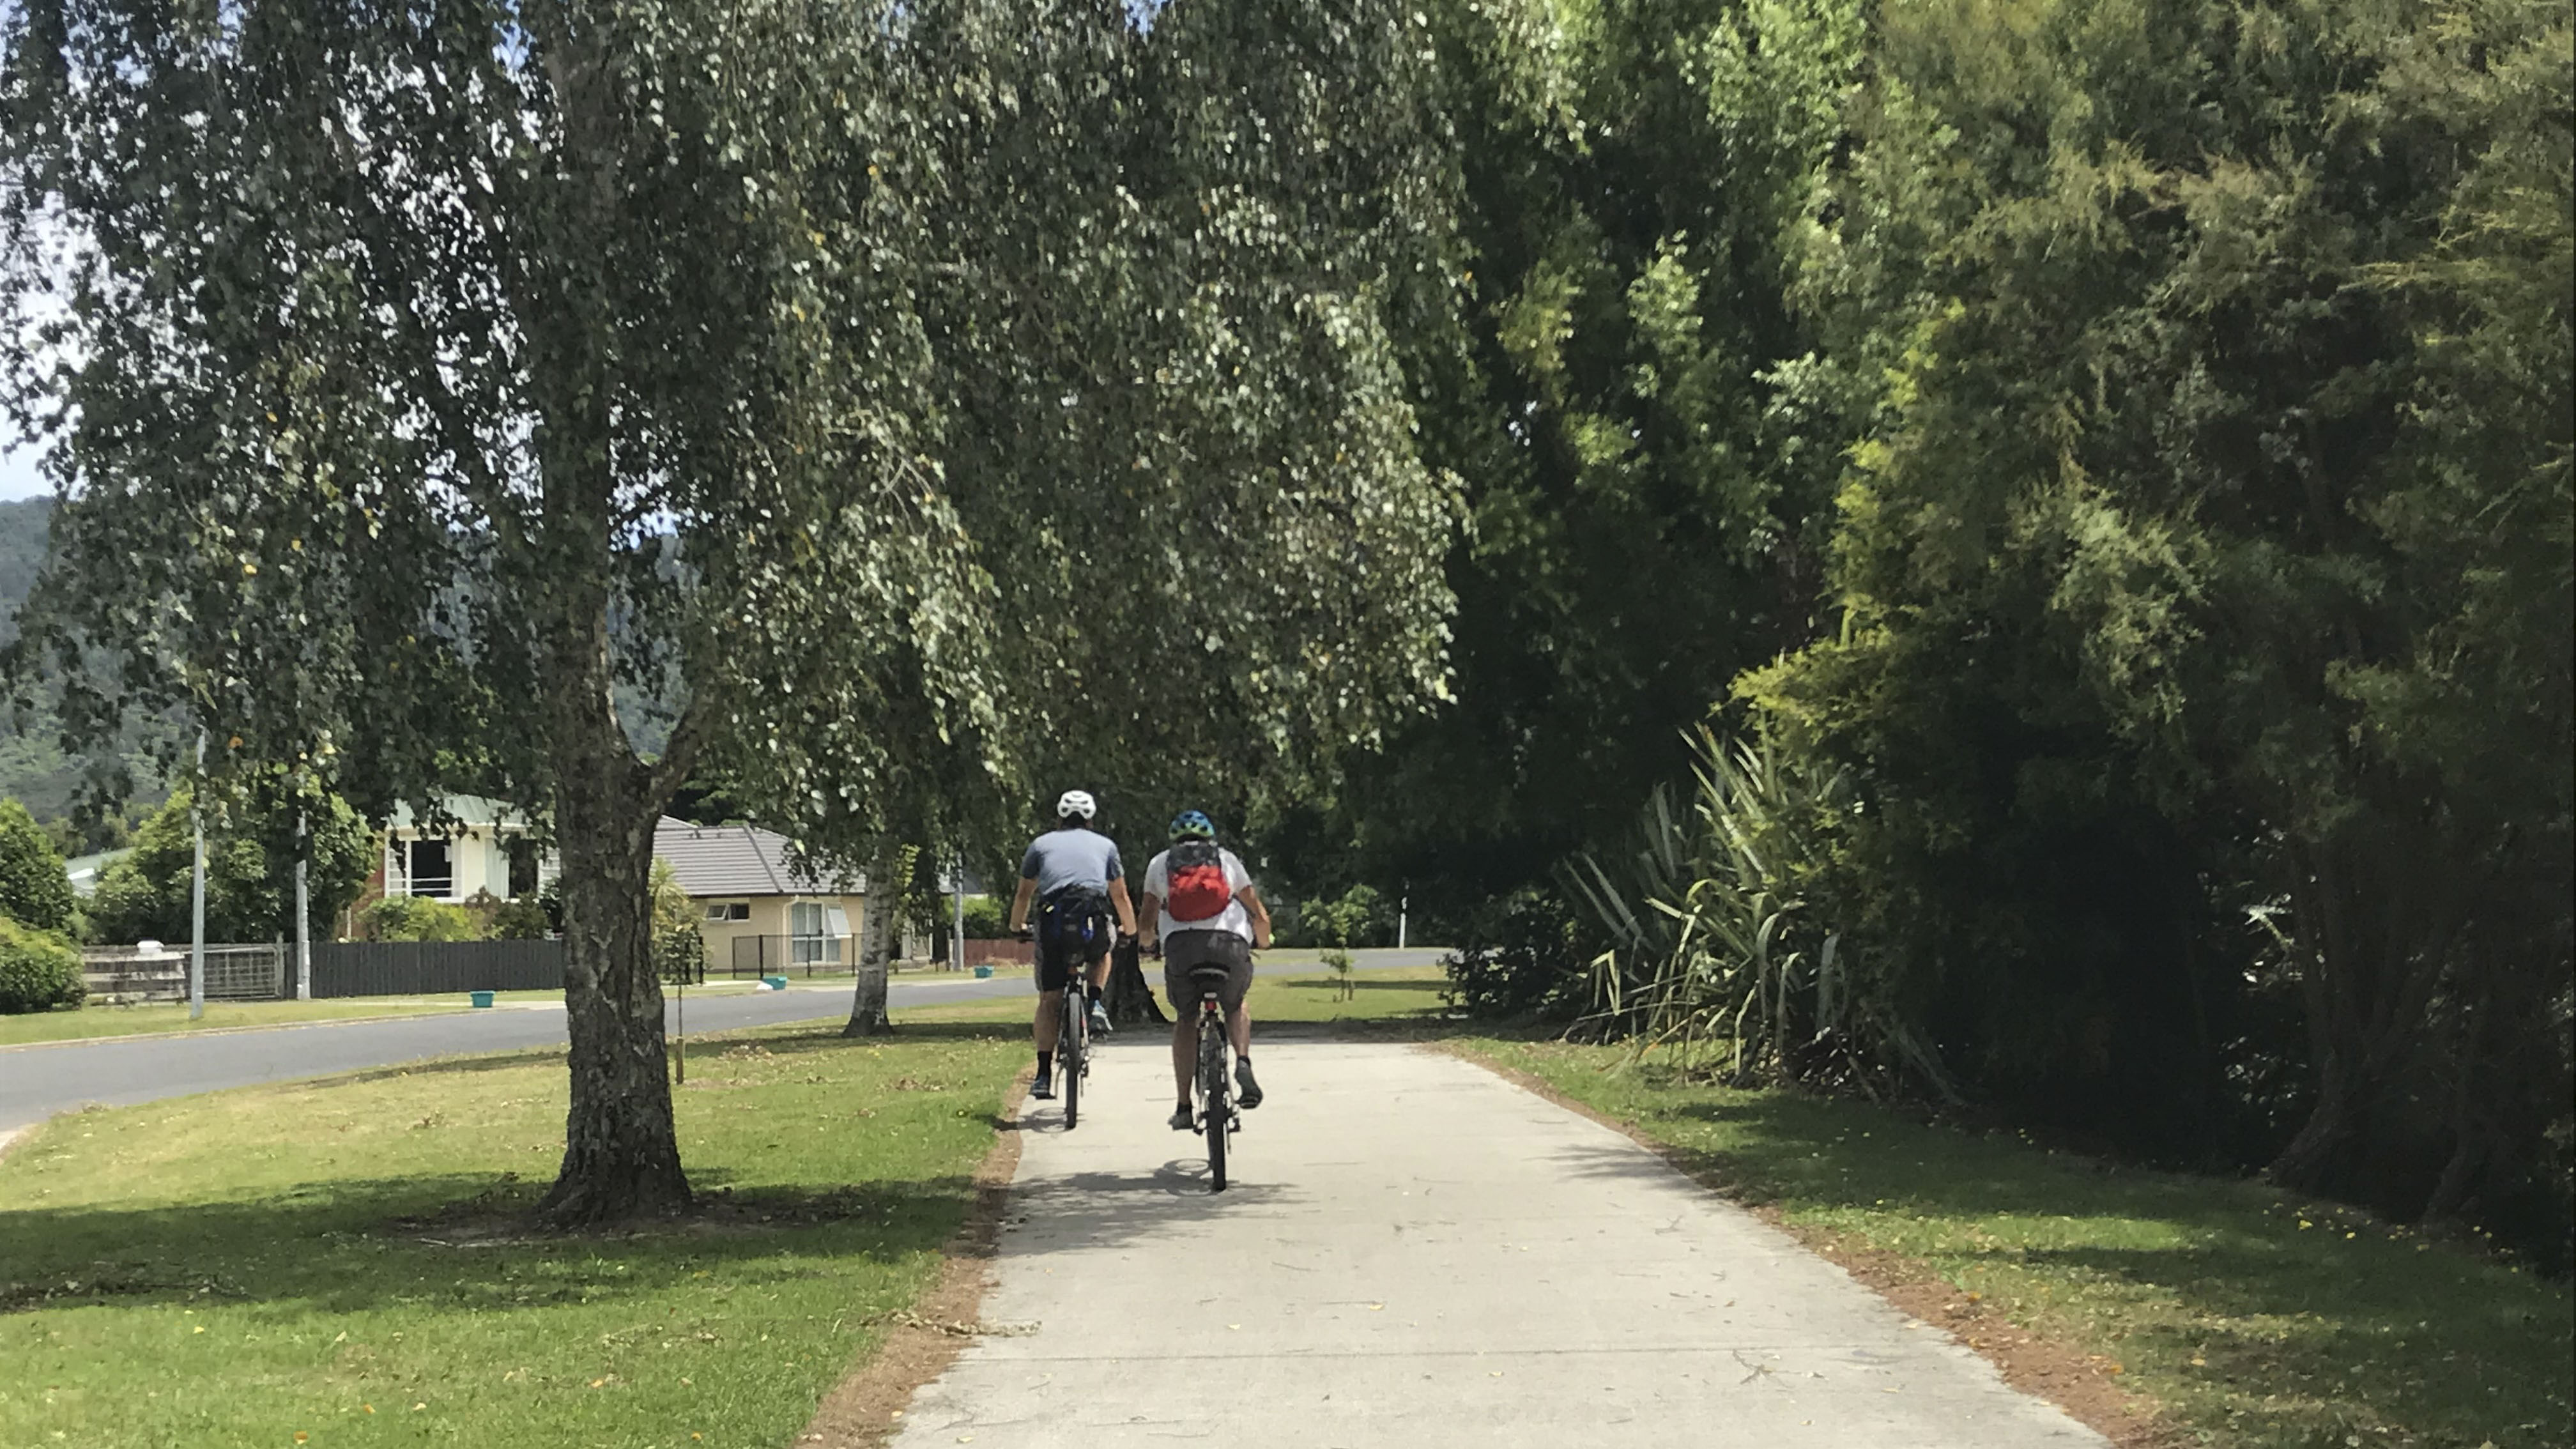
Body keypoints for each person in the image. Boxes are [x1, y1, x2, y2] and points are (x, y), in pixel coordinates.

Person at [1137, 809, 1273, 1130]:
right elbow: (1257, 910)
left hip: (1182, 949)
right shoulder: (1226, 860)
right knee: (1236, 1004)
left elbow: (1146, 922)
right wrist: (1263, 941)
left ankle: (1184, 1106)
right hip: (1229, 946)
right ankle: (1242, 1061)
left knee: (1186, 1018)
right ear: (1210, 838)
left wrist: (1147, 946)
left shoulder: (1159, 864)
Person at [1007, 790, 1138, 1101]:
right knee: (1103, 953)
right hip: (1092, 918)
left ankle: (1042, 1075)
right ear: (1091, 819)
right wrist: (1129, 930)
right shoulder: (1106, 846)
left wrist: (1017, 927)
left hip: (1053, 924)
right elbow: (1119, 895)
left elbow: (1024, 894)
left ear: (1059, 818)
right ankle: (1093, 1003)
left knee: (1049, 1001)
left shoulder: (1040, 845)